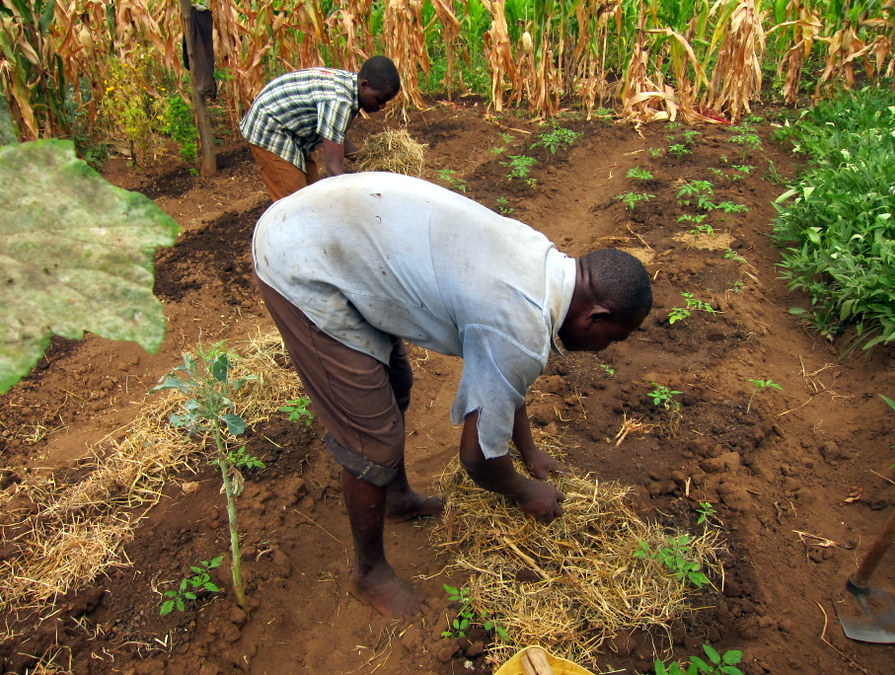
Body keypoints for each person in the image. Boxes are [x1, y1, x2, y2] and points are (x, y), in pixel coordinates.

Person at [252, 172, 652, 619]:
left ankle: (397, 498)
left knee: (395, 384)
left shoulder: (546, 265)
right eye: (614, 340)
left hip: (340, 224)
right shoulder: (520, 323)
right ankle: (371, 575)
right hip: (301, 257)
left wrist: (529, 450)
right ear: (596, 317)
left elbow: (505, 377)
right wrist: (525, 491)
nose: (606, 350)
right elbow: (478, 458)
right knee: (372, 439)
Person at [240, 56, 400, 201]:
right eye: (380, 99)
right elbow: (333, 169)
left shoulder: (352, 87)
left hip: (296, 134)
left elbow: (336, 136)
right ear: (364, 85)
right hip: (271, 127)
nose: (382, 106)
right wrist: (360, 199)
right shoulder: (340, 101)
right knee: (295, 204)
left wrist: (367, 158)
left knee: (312, 194)